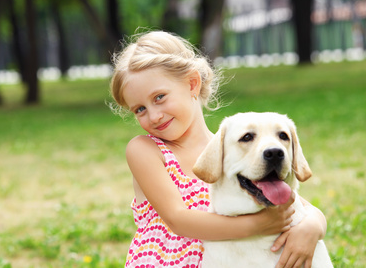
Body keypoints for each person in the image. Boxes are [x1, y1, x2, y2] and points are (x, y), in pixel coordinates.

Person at [109, 30, 327, 268]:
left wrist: (312, 225)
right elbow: (178, 219)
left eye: (159, 97)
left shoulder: (231, 147)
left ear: (192, 83)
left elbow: (293, 200)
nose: (154, 115)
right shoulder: (145, 150)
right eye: (139, 109)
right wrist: (258, 225)